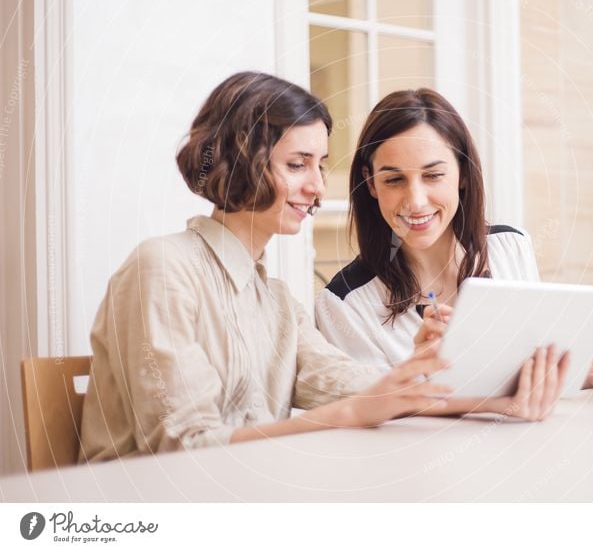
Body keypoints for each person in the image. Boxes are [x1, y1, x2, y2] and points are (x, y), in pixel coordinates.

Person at [80, 73, 562, 463]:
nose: (318, 186)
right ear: (240, 160)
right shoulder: (162, 268)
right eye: (297, 164)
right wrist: (355, 411)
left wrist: (478, 395)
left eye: (321, 165)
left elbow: (360, 387)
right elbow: (182, 450)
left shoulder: (275, 303)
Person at [315, 88, 593, 390]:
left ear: (462, 174)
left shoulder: (511, 248)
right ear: (371, 183)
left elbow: (525, 376)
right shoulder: (344, 304)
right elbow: (368, 424)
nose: (415, 200)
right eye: (394, 180)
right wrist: (418, 373)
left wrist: (589, 376)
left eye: (433, 175)